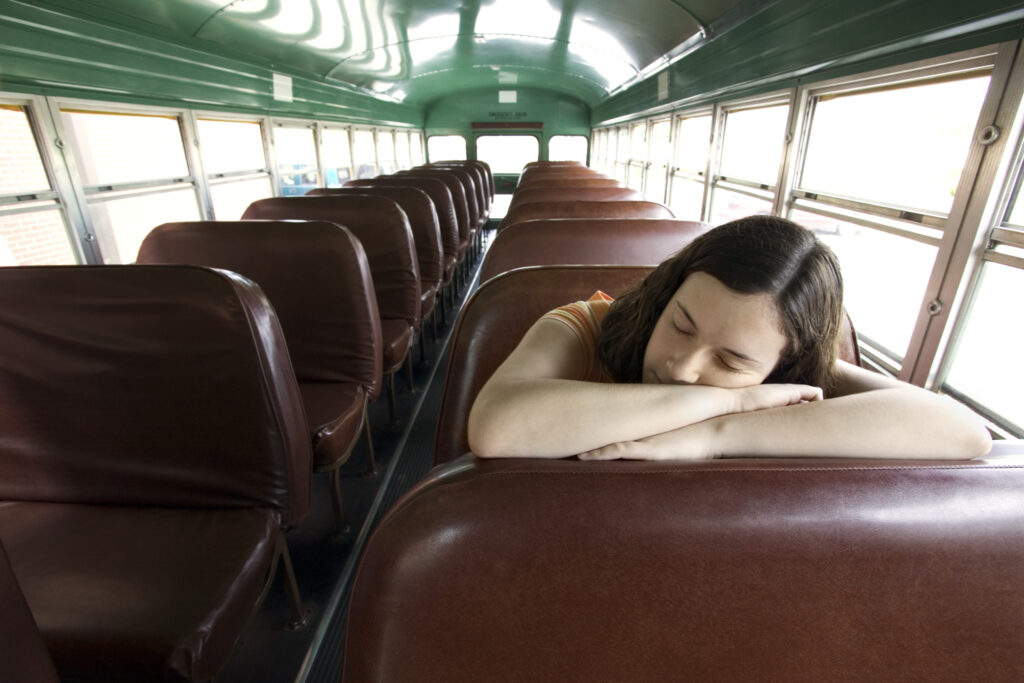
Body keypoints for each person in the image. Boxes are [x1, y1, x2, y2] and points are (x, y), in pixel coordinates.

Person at [467, 215, 992, 460]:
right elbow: (498, 428)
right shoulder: (586, 326)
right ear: (665, 294)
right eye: (680, 325)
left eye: (732, 359)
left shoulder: (791, 379)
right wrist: (737, 396)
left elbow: (963, 432)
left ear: (783, 364)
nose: (682, 368)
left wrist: (719, 434)